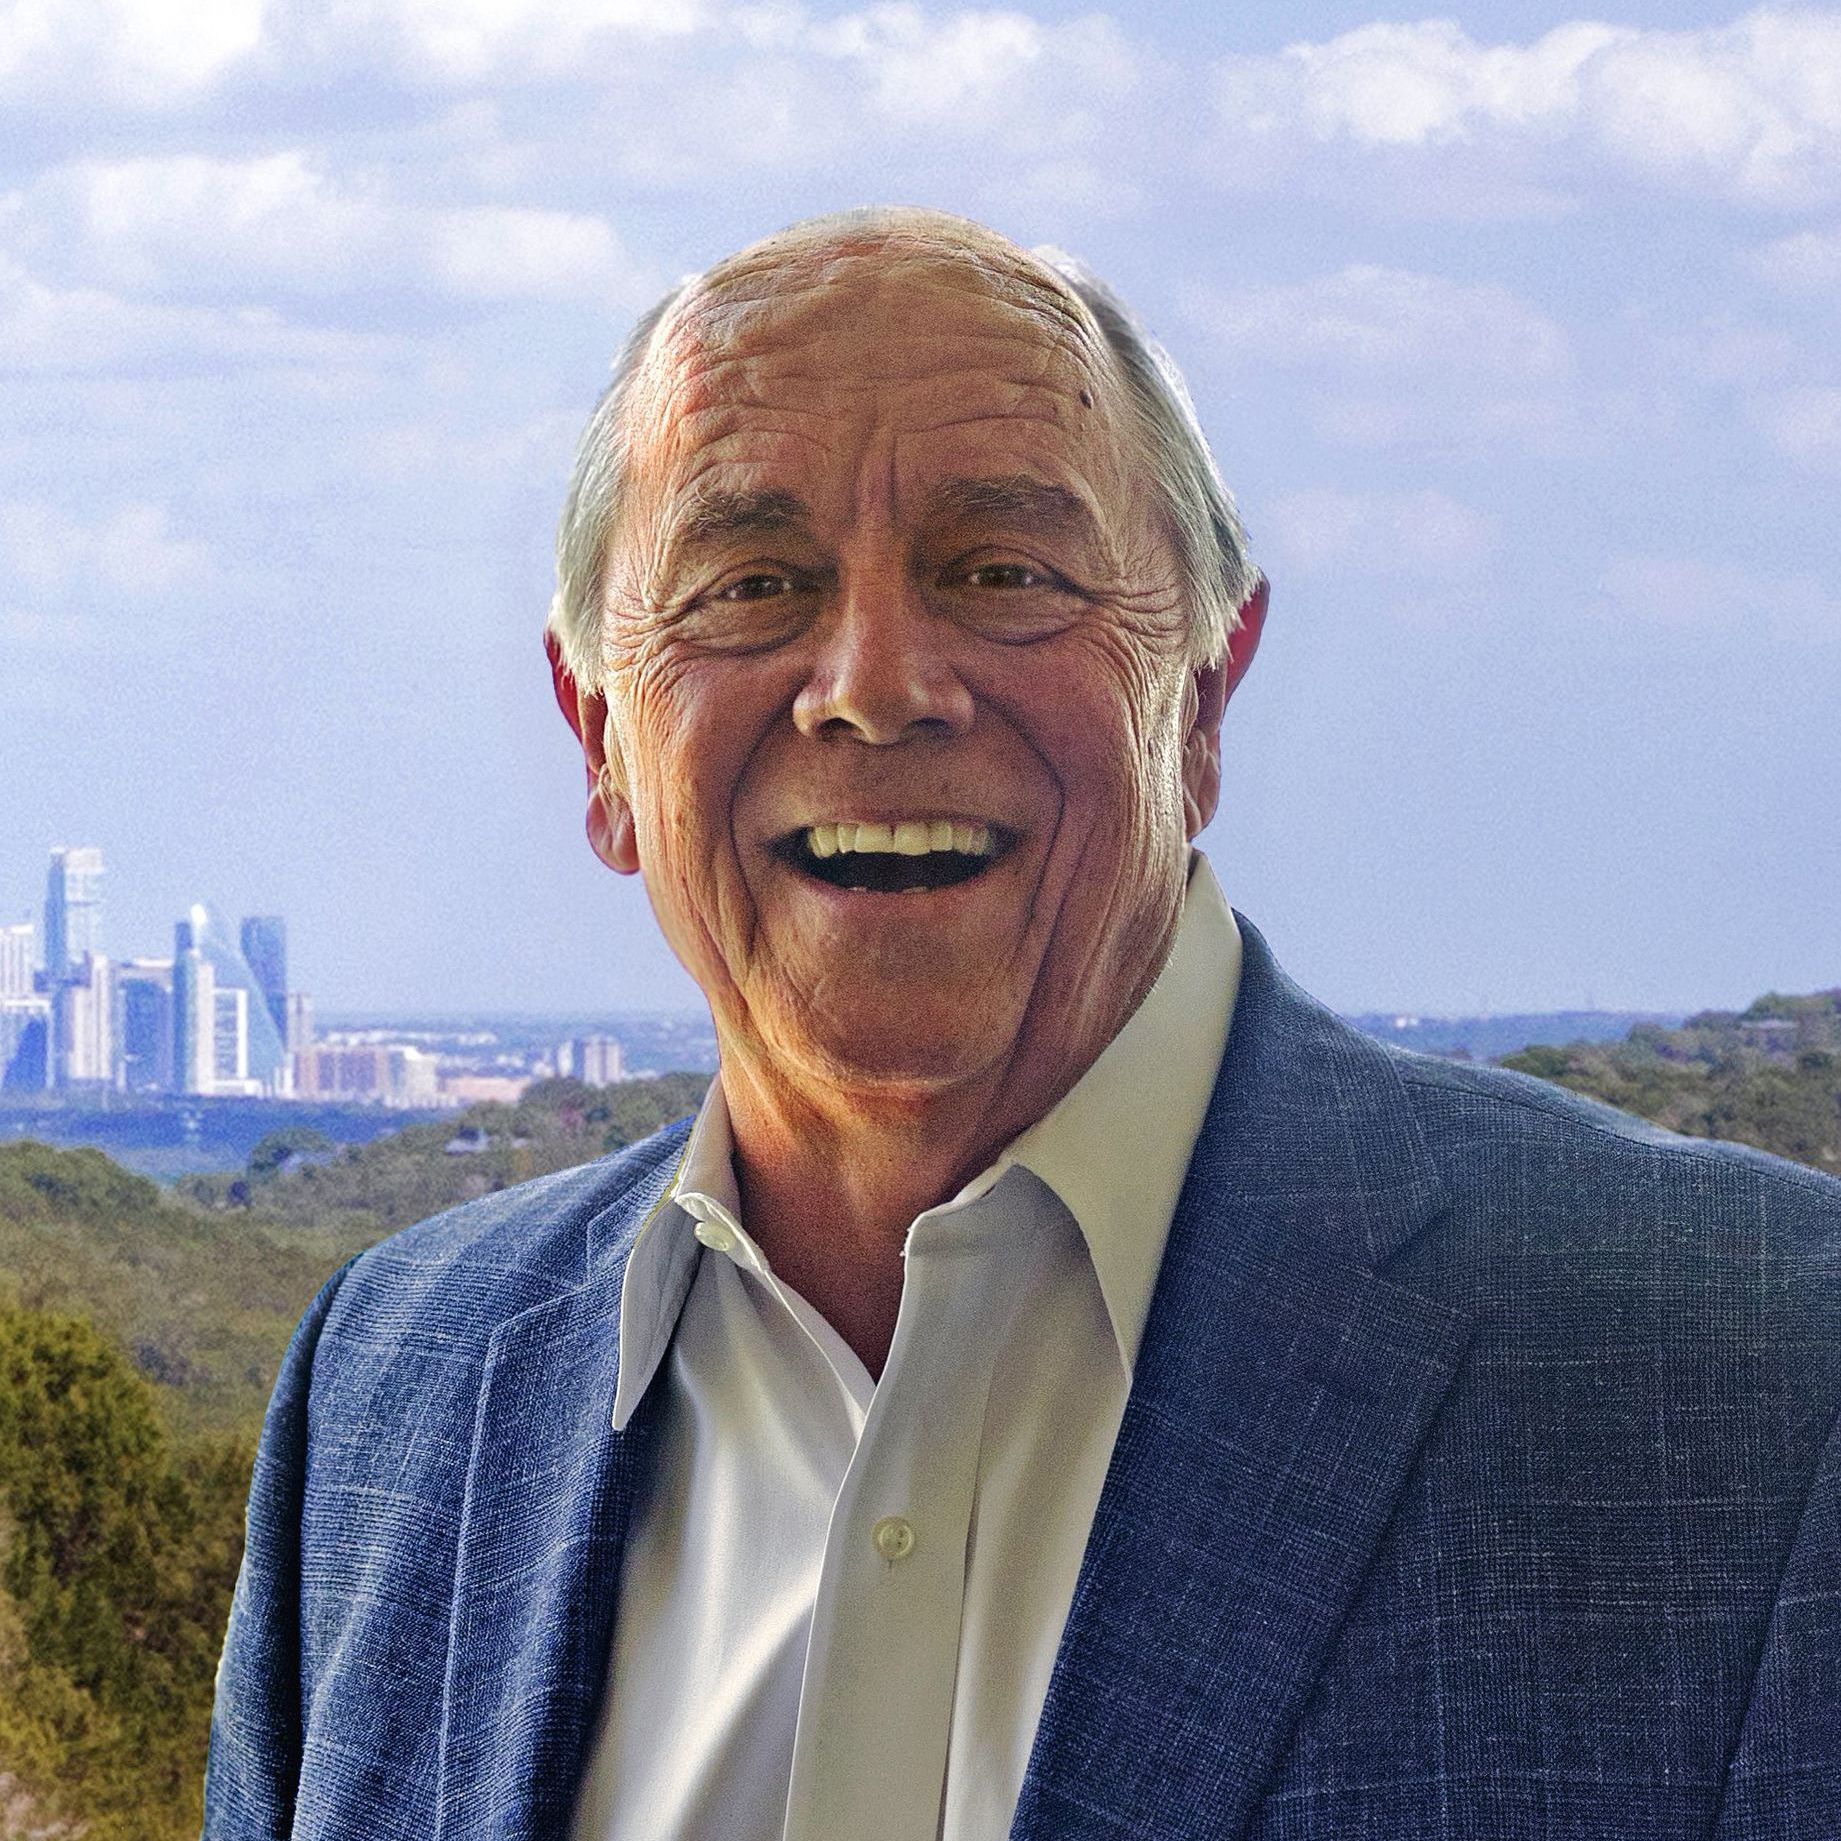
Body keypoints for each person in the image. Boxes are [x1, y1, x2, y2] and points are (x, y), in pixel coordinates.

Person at [203, 209, 1841, 1840]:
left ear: (1199, 694)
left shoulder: (1751, 1370)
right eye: (750, 581)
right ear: (598, 739)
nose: (874, 681)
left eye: (1000, 571)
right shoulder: (393, 1385)